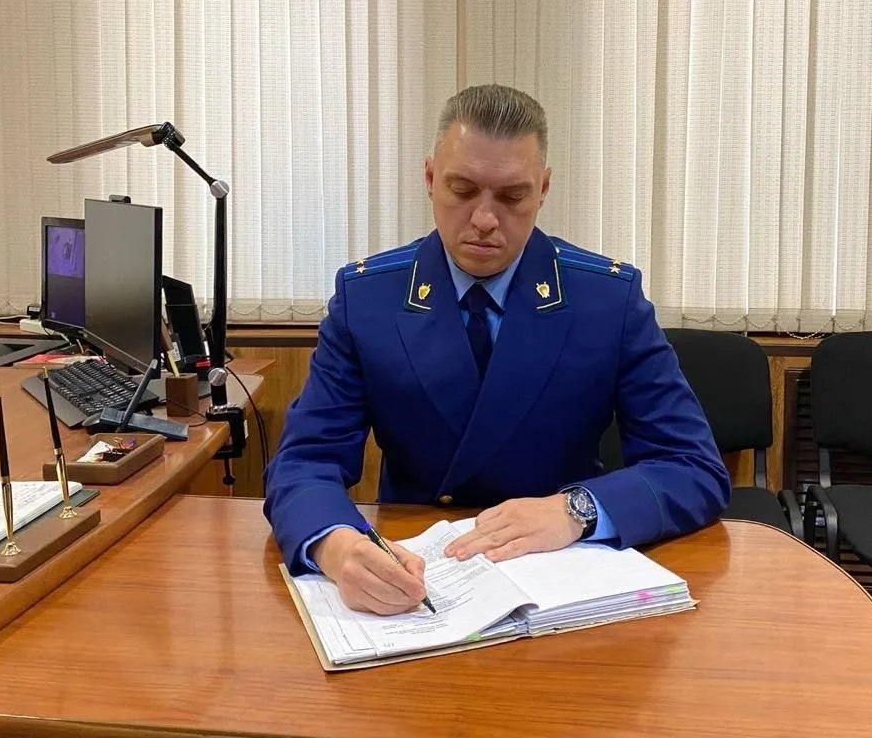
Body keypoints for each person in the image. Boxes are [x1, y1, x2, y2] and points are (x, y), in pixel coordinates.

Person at [263, 84, 731, 615]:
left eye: (511, 197)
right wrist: (336, 545)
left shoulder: (606, 300)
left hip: (563, 574)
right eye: (462, 190)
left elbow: (692, 466)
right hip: (420, 577)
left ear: (543, 189)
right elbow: (305, 461)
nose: (485, 219)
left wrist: (576, 510)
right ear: (430, 178)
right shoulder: (369, 299)